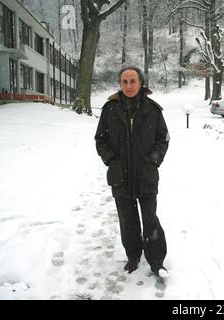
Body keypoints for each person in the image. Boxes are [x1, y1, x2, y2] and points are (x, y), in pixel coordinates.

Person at [95, 66, 170, 277]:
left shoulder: (153, 110)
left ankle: (157, 262)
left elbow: (162, 138)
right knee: (127, 220)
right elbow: (100, 139)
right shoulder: (110, 109)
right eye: (125, 81)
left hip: (146, 174)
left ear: (141, 83)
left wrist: (154, 159)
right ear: (120, 83)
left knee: (150, 219)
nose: (129, 85)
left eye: (133, 81)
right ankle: (133, 255)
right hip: (120, 175)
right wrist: (111, 160)